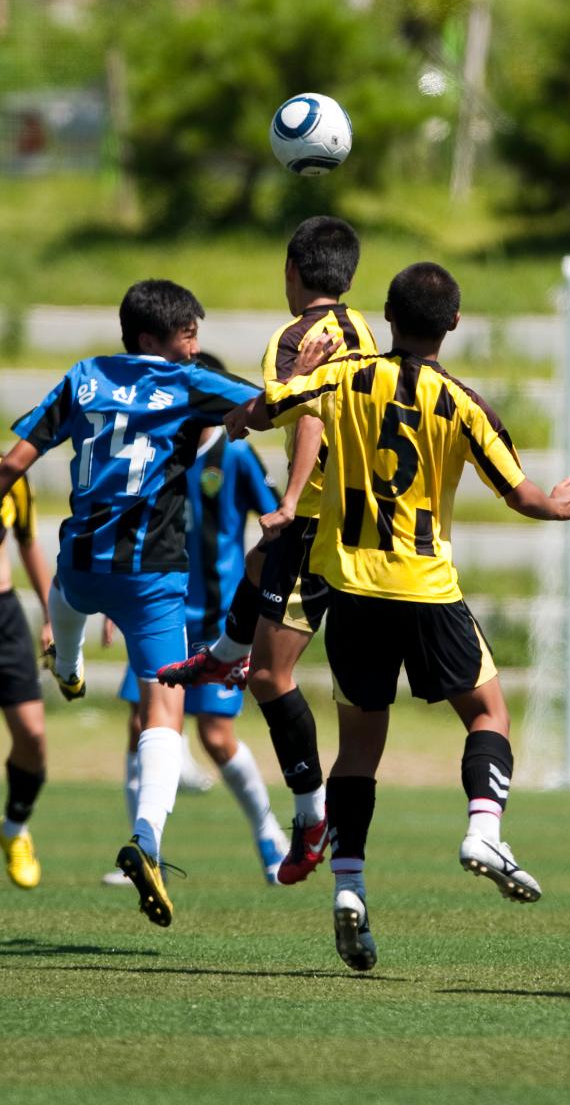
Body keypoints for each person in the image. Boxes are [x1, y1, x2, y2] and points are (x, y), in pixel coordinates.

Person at [222, 261, 570, 972]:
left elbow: (269, 408)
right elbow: (521, 496)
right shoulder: (462, 402)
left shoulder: (341, 377)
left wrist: (279, 384)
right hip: (426, 592)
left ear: (387, 318)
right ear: (453, 325)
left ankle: (349, 887)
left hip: (354, 594)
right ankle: (482, 828)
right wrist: (561, 502)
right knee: (487, 715)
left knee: (359, 748)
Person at [0, 279, 260, 927]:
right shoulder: (188, 386)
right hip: (152, 580)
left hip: (84, 566)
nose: (195, 348)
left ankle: (65, 663)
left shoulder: (85, 377)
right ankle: (147, 839)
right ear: (152, 341)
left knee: (66, 594)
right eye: (187, 337)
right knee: (163, 706)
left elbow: (15, 462)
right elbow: (268, 405)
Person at [158, 216, 376, 886]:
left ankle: (311, 818)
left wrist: (279, 476)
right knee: (258, 566)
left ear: (291, 271)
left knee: (270, 678)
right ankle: (221, 655)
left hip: (315, 519)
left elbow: (304, 410)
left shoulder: (292, 339)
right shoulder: (362, 328)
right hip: (364, 513)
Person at [103, 353, 287, 889]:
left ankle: (268, 834)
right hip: (155, 611)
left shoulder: (235, 455)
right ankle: (145, 847)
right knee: (141, 725)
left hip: (217, 623)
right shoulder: (155, 451)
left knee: (216, 736)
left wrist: (262, 596)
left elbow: (275, 517)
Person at [0, 460, 53, 888]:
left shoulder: (9, 474)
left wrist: (52, 618)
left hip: (5, 619)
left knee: (33, 737)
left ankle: (15, 827)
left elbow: (28, 541)